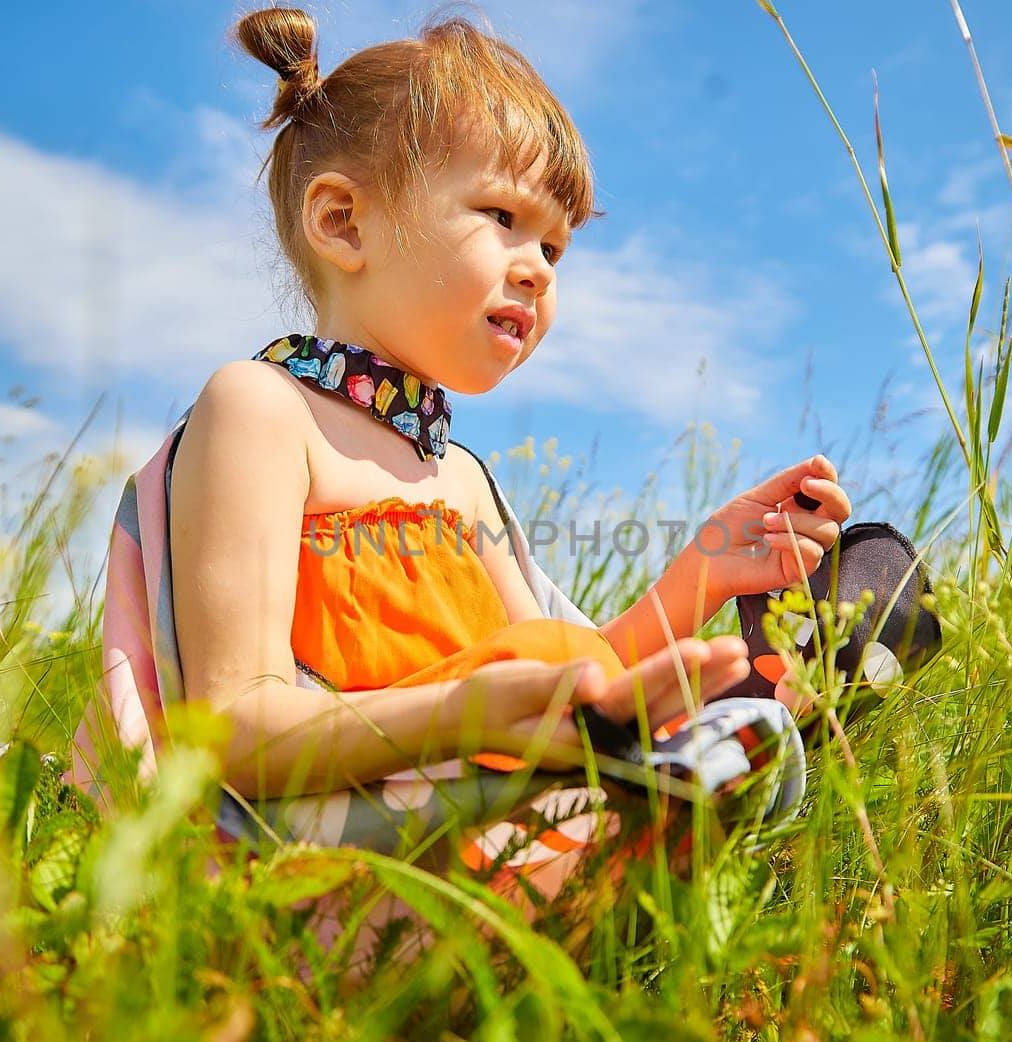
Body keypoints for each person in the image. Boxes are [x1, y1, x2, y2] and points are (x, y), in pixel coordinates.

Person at [66, 6, 851, 971]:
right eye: (503, 218)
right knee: (667, 770)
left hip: (472, 780)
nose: (537, 269)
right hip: (322, 834)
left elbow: (566, 675)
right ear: (343, 221)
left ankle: (712, 766)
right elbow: (233, 727)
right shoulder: (262, 413)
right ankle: (573, 880)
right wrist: (471, 714)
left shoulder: (463, 478)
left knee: (726, 732)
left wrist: (705, 572)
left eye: (557, 249)